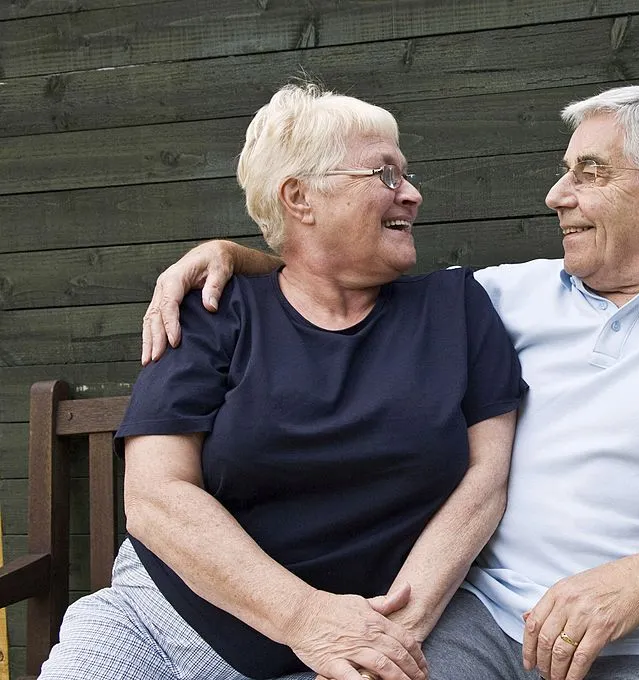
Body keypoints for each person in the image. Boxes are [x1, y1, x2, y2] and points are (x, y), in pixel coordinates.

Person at [142, 84, 639, 680]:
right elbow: (337, 274)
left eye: (589, 173)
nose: (555, 196)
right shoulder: (505, 295)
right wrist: (232, 255)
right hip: (482, 623)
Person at [39, 84, 526, 680]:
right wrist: (307, 619)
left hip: (370, 630)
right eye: (386, 174)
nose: (413, 194)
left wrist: (387, 637)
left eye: (406, 173)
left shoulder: (456, 309)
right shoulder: (214, 309)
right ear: (300, 197)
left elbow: (484, 484)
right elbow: (154, 497)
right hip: (166, 623)